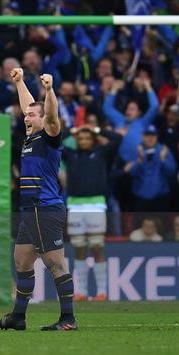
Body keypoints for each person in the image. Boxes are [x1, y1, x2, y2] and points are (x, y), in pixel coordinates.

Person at [0, 69, 76, 332]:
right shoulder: (31, 137)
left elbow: (49, 114)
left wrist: (50, 90)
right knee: (22, 259)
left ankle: (68, 319)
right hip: (31, 209)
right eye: (25, 115)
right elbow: (31, 105)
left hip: (45, 207)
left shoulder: (50, 136)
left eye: (31, 115)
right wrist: (19, 82)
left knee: (55, 263)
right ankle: (18, 317)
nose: (26, 117)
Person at [63, 126, 122, 302]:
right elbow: (54, 141)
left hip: (96, 205)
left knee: (97, 246)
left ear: (93, 139)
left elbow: (117, 139)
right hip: (75, 206)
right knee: (79, 248)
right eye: (80, 139)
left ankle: (102, 292)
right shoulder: (71, 155)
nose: (84, 141)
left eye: (87, 138)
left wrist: (97, 129)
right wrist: (72, 131)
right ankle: (81, 291)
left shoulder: (102, 154)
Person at [124, 125, 177, 212]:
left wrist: (163, 160)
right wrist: (139, 161)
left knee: (161, 225)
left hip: (161, 199)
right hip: (140, 199)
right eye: (147, 135)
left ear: (157, 137)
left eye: (153, 135)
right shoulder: (136, 150)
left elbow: (172, 173)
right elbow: (130, 173)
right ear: (142, 136)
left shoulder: (164, 150)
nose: (150, 138)